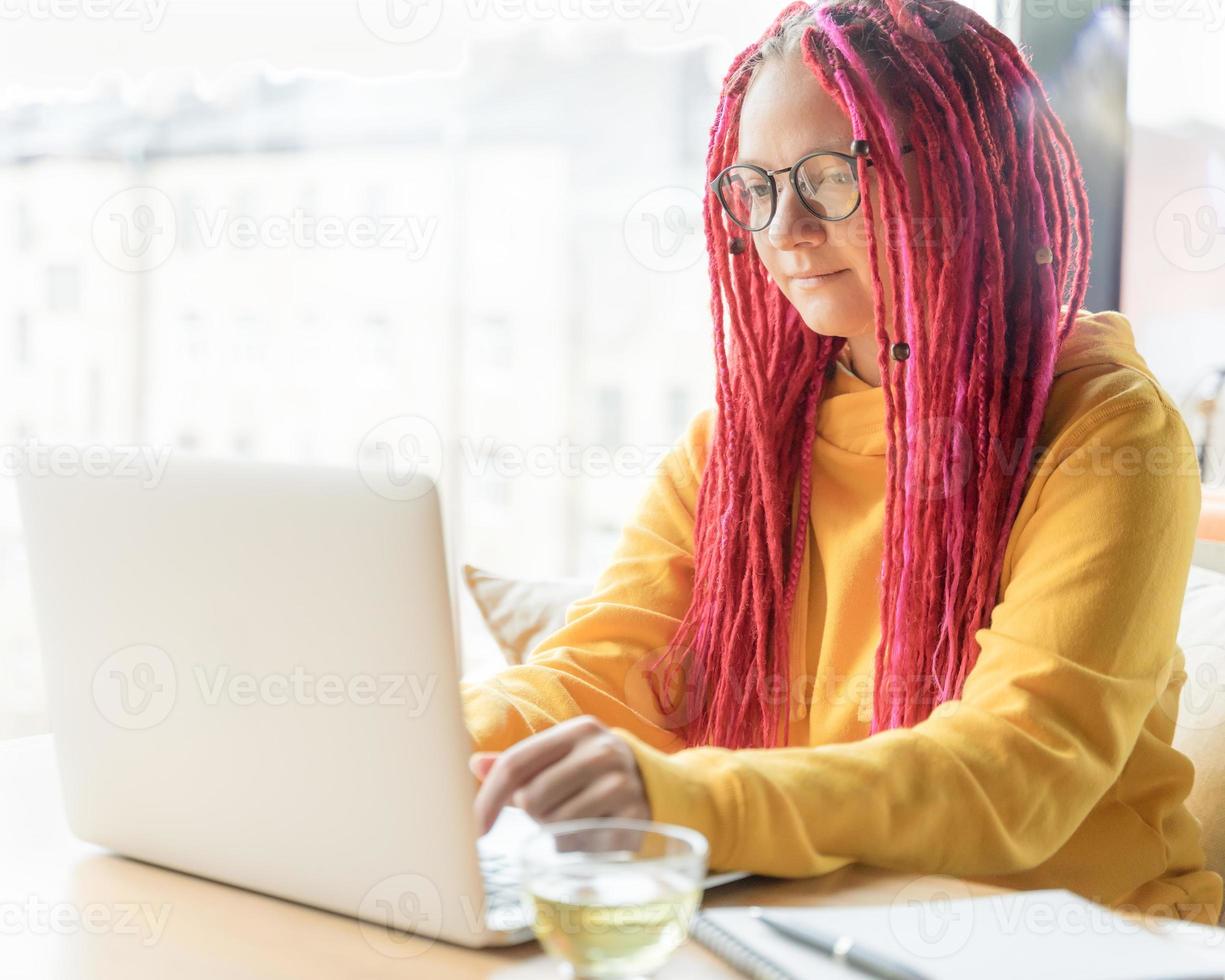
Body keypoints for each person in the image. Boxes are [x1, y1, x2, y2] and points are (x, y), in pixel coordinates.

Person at [461, 0, 1223, 924]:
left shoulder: (1104, 432)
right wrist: (396, 746)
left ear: (961, 180)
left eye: (832, 176)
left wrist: (685, 800)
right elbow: (599, 671)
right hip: (817, 923)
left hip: (1084, 937)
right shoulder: (735, 444)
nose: (783, 227)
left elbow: (1015, 772)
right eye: (754, 185)